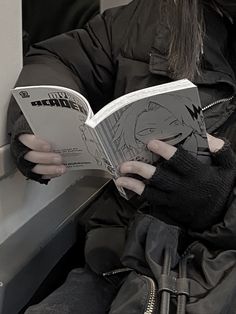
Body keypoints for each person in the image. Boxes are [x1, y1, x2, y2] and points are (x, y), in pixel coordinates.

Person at [7, 0, 236, 313]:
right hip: (119, 256)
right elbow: (60, 59)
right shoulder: (153, 16)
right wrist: (37, 123)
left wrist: (223, 204)